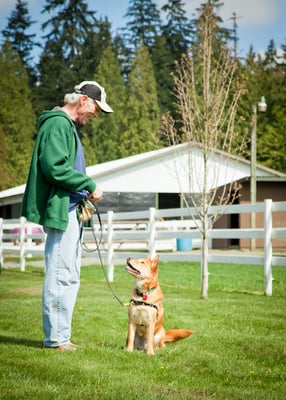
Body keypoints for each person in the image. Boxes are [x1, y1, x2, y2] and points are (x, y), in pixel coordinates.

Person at [21, 81, 113, 350]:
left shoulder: (67, 127)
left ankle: (61, 336)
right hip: (63, 210)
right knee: (61, 273)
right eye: (95, 109)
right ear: (84, 100)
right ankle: (57, 339)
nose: (95, 116)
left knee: (70, 273)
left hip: (71, 209)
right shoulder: (58, 124)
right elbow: (55, 168)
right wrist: (89, 185)